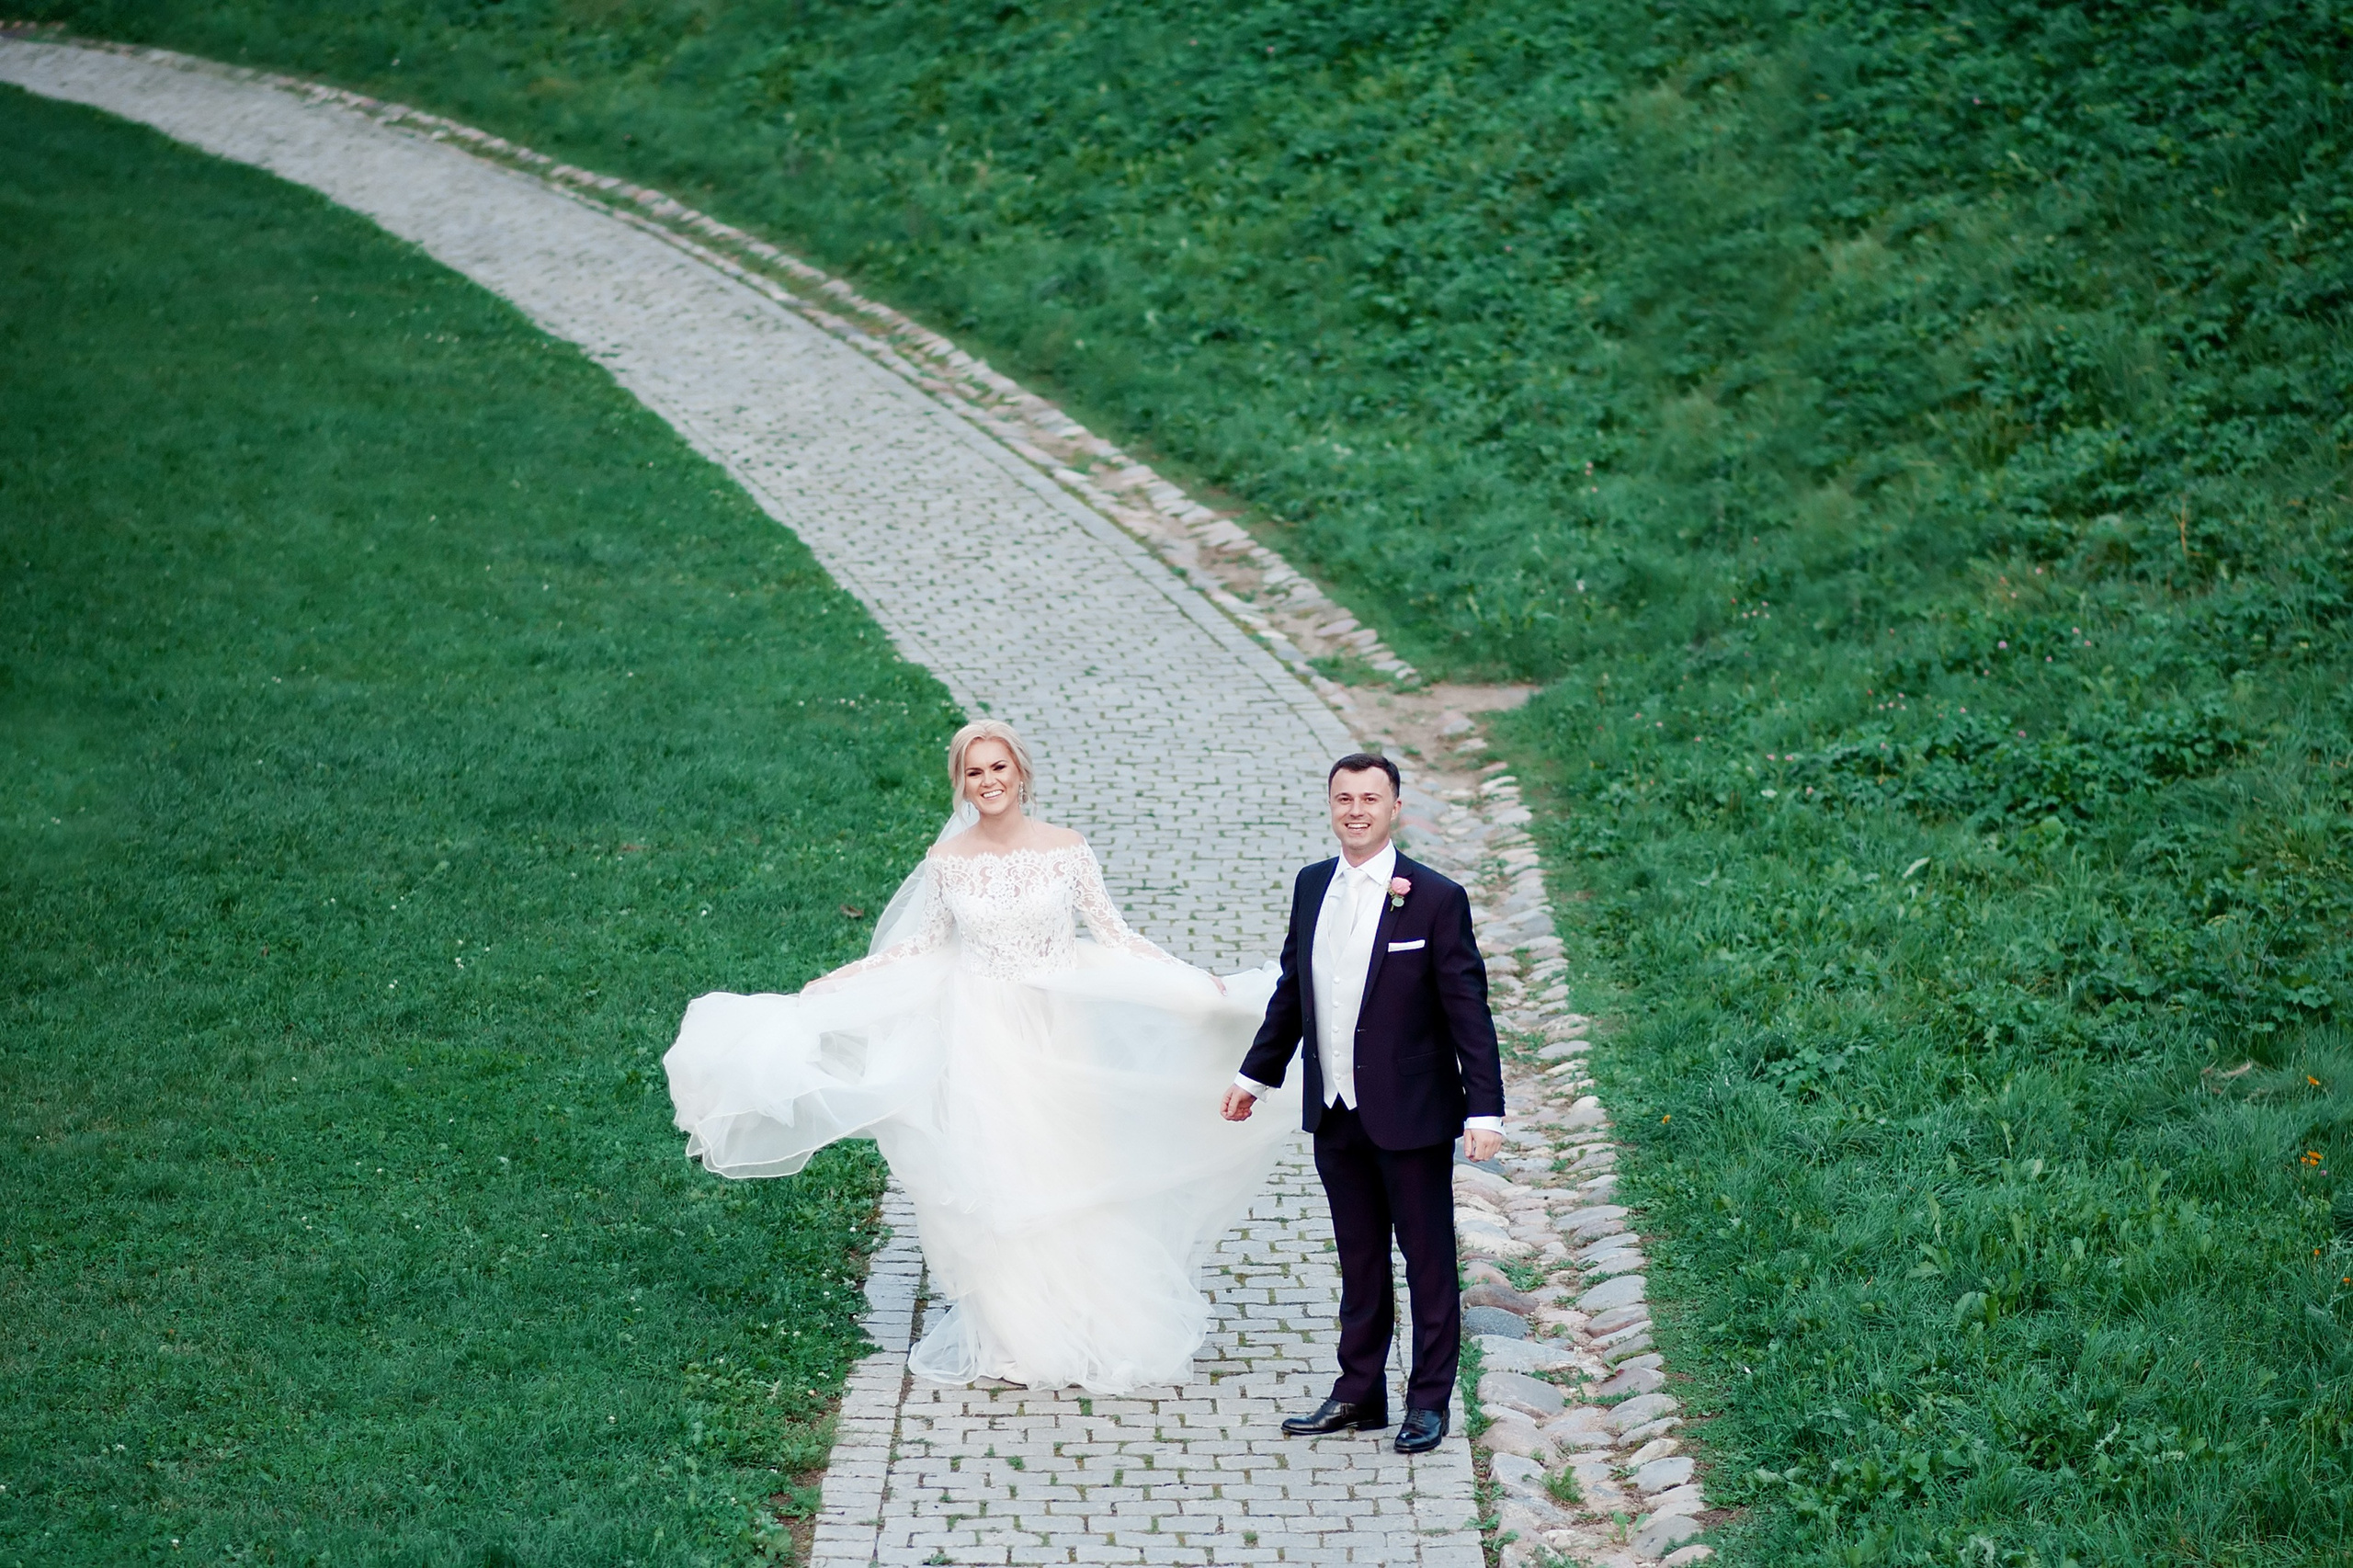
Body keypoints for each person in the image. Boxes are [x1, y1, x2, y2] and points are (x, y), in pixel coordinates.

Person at [664, 720, 1293, 1393]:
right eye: (974, 772)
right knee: (999, 1175)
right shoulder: (948, 861)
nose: (988, 782)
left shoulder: (1067, 850)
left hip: (1055, 1027)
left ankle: (1093, 1318)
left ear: (1020, 773)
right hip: (983, 1034)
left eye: (998, 768)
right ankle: (1018, 1332)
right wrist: (844, 979)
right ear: (961, 783)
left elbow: (1116, 934)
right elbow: (921, 945)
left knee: (1067, 1167)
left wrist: (1196, 981)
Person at [1222, 752, 1505, 1454]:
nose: (1356, 809)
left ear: (1394, 808)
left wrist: (1485, 1110)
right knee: (1360, 1260)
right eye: (1343, 797)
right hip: (1336, 1109)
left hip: (1411, 1111)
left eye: (1369, 798)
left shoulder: (1437, 898)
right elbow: (1294, 992)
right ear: (1330, 806)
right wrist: (1255, 1078)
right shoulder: (1312, 885)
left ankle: (1430, 1403)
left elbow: (1469, 1010)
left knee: (1428, 1259)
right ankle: (1359, 1394)